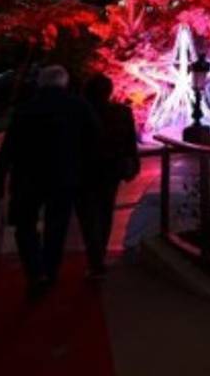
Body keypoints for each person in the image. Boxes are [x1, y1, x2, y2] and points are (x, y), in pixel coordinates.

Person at [0, 65, 100, 298]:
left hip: (27, 177)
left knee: (25, 225)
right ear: (65, 82)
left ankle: (34, 269)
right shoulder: (78, 107)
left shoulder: (25, 109)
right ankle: (49, 270)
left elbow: (9, 147)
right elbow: (93, 140)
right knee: (56, 225)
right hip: (63, 175)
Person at [76, 73, 140, 278]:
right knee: (105, 211)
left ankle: (94, 255)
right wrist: (132, 165)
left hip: (84, 170)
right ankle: (98, 254)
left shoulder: (79, 114)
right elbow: (130, 143)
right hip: (110, 169)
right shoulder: (122, 112)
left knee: (87, 214)